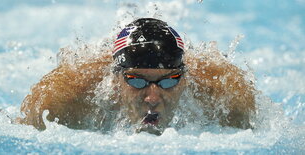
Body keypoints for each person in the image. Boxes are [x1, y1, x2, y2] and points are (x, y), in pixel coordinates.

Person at [16, 18, 255, 135]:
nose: (152, 97)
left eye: (169, 81)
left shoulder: (228, 98)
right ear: (114, 80)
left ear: (185, 79)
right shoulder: (60, 103)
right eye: (137, 81)